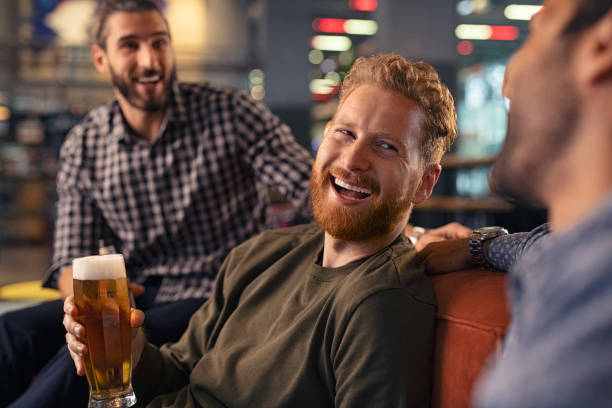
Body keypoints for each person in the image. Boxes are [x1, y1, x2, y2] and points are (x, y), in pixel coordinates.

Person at [64, 53, 459, 407]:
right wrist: (130, 350)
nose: (353, 159)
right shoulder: (262, 252)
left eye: (386, 147)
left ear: (425, 182)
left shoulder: (380, 304)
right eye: (345, 133)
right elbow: (179, 370)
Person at [0, 1, 314, 406]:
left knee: (83, 359)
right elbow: (70, 261)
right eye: (130, 45)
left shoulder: (230, 112)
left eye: (159, 43)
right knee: (11, 333)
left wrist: (398, 231)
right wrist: (81, 317)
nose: (150, 60)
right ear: (101, 58)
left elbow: (312, 190)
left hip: (217, 296)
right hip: (136, 296)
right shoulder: (86, 143)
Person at [418, 1, 612, 406]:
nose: (507, 85)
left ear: (602, 47)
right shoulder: (576, 247)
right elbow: (541, 243)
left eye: (534, 33)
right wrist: (478, 246)